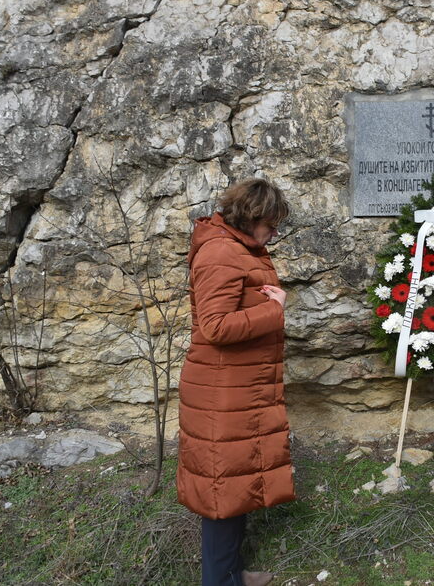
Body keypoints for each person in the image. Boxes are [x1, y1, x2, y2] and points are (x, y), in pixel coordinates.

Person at [176, 177, 294, 586]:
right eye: (272, 223)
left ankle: (231, 575)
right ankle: (220, 581)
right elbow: (215, 326)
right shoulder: (220, 252)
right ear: (252, 216)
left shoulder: (242, 249)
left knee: (234, 482)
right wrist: (273, 311)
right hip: (219, 393)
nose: (275, 232)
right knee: (220, 493)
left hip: (237, 388)